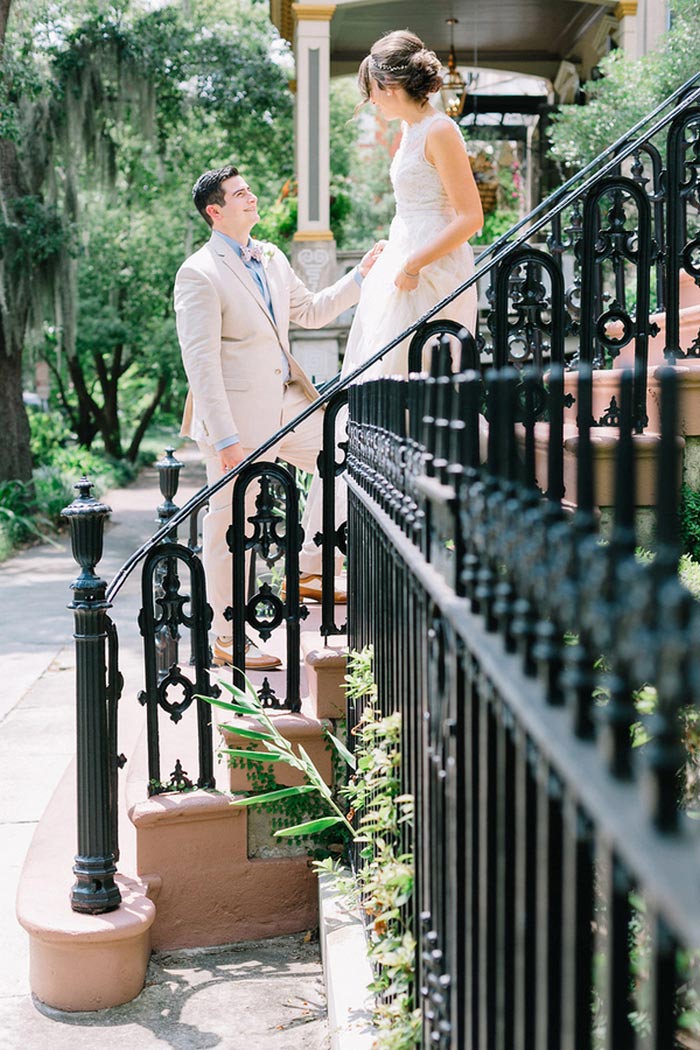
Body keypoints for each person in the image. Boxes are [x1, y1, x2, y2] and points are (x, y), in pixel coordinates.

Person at [174, 165, 383, 670]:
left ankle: (310, 568)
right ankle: (226, 635)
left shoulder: (271, 256)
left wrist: (359, 277)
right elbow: (199, 364)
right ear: (215, 211)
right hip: (236, 421)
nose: (251, 197)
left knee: (345, 456)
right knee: (231, 526)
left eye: (249, 189)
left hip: (288, 404)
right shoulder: (198, 272)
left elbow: (309, 311)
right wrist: (225, 439)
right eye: (240, 193)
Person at [342, 29, 483, 381]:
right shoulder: (410, 130)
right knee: (388, 371)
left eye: (371, 90)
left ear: (389, 85)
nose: (372, 100)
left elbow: (471, 217)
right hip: (406, 257)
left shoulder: (440, 131)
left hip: (433, 268)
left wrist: (413, 264)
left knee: (419, 372)